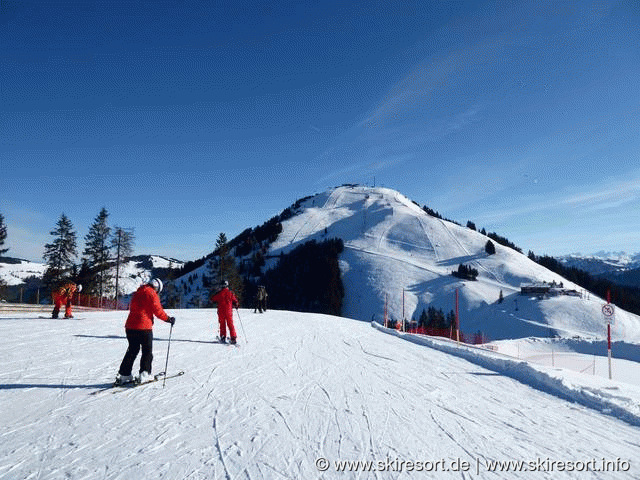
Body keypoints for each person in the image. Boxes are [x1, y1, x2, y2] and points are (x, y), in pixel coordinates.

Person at [115, 278, 175, 385]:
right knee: (147, 351)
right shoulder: (152, 294)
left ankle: (124, 374)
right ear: (157, 288)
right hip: (143, 327)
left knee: (132, 350)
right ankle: (145, 374)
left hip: (130, 326)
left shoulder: (138, 292)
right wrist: (168, 319)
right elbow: (157, 310)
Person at [211, 280, 238, 344]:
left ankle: (223, 337)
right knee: (230, 324)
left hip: (221, 311)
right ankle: (233, 337)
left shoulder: (219, 293)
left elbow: (212, 299)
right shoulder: (230, 293)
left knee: (222, 324)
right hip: (228, 312)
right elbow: (235, 301)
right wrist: (236, 304)